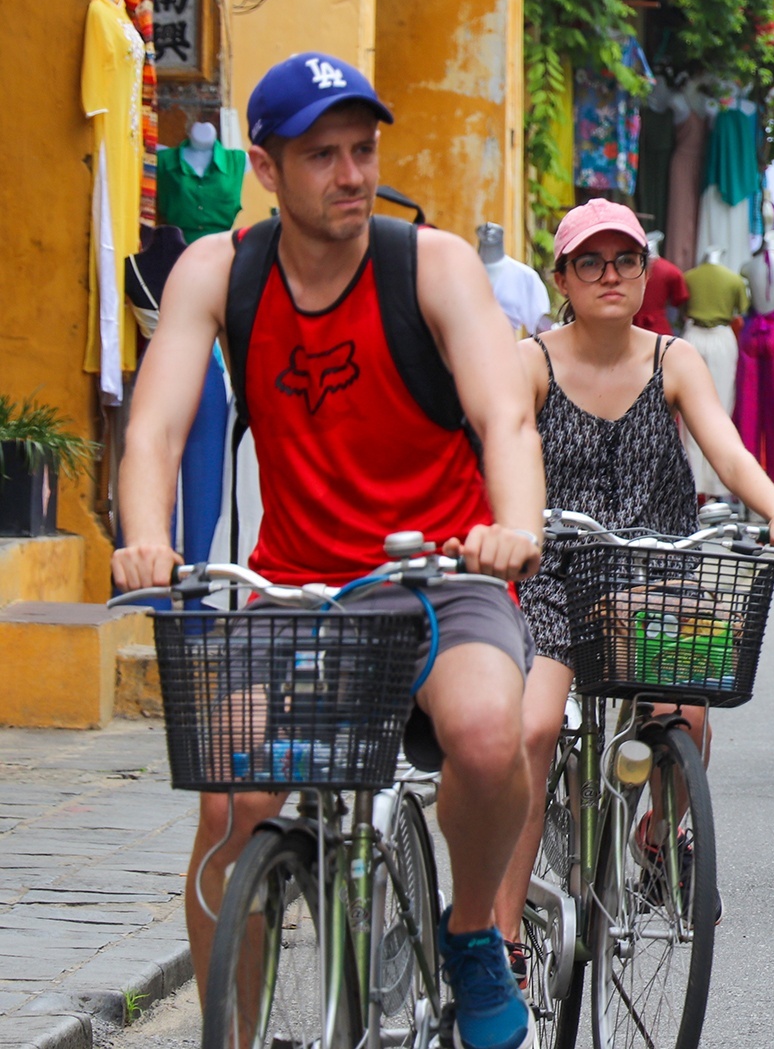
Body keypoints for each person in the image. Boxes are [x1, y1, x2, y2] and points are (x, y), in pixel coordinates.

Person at [112, 53, 544, 1049]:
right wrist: (143, 537)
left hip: (439, 574)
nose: (351, 175)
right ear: (266, 169)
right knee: (234, 801)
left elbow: (503, 417)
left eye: (363, 150)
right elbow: (155, 431)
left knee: (487, 735)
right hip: (296, 587)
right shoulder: (220, 273)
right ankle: (234, 1034)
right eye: (322, 157)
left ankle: (472, 930)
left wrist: (511, 524)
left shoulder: (427, 265)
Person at [494, 198, 774, 974]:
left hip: (650, 573)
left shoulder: (676, 359)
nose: (611, 275)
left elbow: (726, 449)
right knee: (533, 731)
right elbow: (503, 445)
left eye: (626, 259)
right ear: (563, 276)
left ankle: (654, 834)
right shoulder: (530, 360)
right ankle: (496, 933)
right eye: (591, 262)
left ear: (646, 271)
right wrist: (513, 527)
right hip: (557, 579)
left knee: (685, 717)